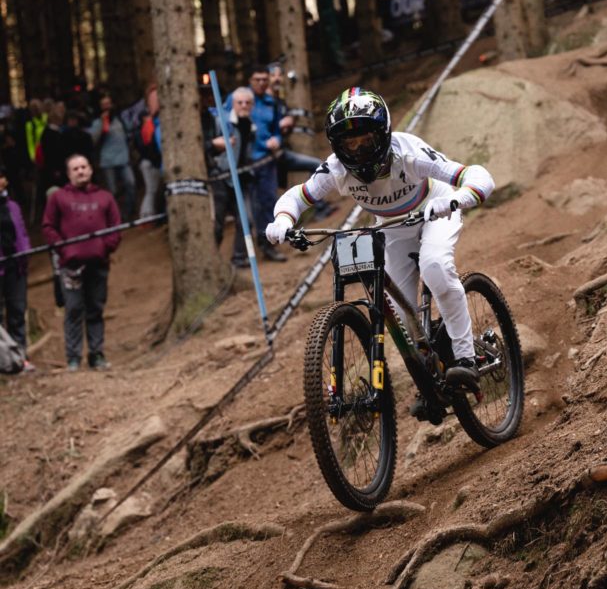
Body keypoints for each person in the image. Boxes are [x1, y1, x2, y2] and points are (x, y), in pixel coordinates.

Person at [264, 88, 494, 387]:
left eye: (366, 140)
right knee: (400, 314)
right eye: (350, 143)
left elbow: (477, 176)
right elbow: (299, 195)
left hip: (435, 212)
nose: (358, 149)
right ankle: (431, 374)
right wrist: (283, 219)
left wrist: (456, 199)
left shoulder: (408, 152)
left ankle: (466, 359)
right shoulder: (336, 168)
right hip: (392, 226)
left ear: (383, 134)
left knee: (435, 266)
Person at [42, 154, 121, 371]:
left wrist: (105, 247)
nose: (80, 171)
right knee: (74, 309)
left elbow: (115, 226)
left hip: (98, 263)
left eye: (84, 167)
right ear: (69, 174)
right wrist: (64, 250)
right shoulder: (59, 198)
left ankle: (96, 353)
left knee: (95, 308)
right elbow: (48, 227)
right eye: (75, 169)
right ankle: (73, 357)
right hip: (70, 266)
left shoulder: (105, 197)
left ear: (91, 169)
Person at [226, 65, 286, 262]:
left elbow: (277, 130)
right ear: (250, 81)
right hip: (244, 164)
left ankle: (268, 246)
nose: (261, 83)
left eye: (264, 79)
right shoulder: (240, 98)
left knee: (269, 202)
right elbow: (224, 120)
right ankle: (241, 253)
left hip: (266, 161)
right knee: (248, 210)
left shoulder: (272, 103)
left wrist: (277, 139)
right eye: (257, 79)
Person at [268, 62, 336, 221]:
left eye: (279, 75)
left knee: (315, 165)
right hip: (267, 157)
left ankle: (320, 208)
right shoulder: (263, 102)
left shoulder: (280, 100)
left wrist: (288, 125)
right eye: (273, 75)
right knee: (270, 194)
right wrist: (280, 126)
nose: (277, 78)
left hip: (281, 153)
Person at [210, 87, 255, 267]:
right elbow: (209, 147)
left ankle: (239, 257)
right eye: (240, 102)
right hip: (221, 178)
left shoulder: (251, 124)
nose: (244, 105)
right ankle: (211, 261)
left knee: (246, 219)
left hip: (241, 179)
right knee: (217, 223)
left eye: (247, 103)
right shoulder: (221, 122)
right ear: (233, 104)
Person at [0, 166, 33, 372]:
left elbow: (21, 231)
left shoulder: (12, 206)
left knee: (17, 311)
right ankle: (5, 361)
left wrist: (25, 251)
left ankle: (21, 358)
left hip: (16, 266)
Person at [89, 95, 136, 220]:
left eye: (108, 103)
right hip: (108, 161)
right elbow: (93, 140)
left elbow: (129, 132)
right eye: (104, 104)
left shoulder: (120, 119)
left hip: (123, 158)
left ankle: (128, 212)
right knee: (112, 191)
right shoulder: (97, 122)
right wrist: (102, 125)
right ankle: (115, 217)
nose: (107, 107)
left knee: (130, 183)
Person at [135, 85, 162, 219]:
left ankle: (149, 215)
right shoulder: (148, 124)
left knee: (153, 190)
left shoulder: (155, 122)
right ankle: (146, 216)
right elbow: (148, 145)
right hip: (149, 162)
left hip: (152, 162)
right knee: (151, 190)